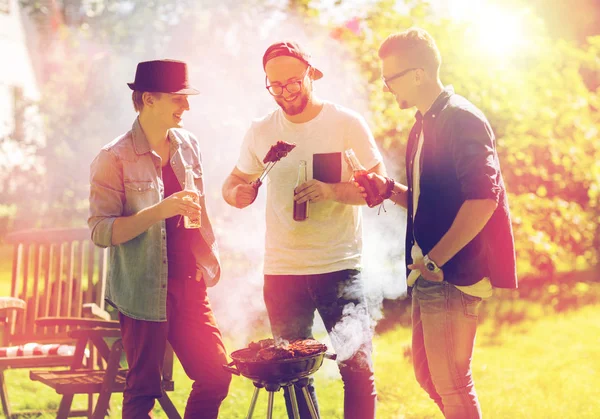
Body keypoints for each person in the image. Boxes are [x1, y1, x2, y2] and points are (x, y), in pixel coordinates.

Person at [362, 28, 518, 418]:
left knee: (451, 382)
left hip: (451, 273)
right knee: (430, 376)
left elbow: (483, 198)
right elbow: (426, 202)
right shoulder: (424, 123)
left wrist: (435, 260)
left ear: (418, 74)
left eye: (390, 78)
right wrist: (386, 189)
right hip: (431, 273)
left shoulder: (461, 118)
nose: (386, 88)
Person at [222, 41, 383, 419]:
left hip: (339, 265)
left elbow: (378, 188)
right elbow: (232, 183)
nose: (285, 93)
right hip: (282, 272)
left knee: (356, 369)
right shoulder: (261, 131)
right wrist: (237, 193)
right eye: (275, 86)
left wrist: (332, 191)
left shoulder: (345, 124)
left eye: (293, 82)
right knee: (293, 374)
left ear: (312, 74)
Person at [88, 59, 231, 419]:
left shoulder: (189, 145)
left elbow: (197, 207)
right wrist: (157, 211)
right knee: (143, 392)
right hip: (142, 290)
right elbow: (101, 231)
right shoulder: (112, 158)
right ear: (148, 99)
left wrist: (204, 253)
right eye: (177, 98)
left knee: (216, 374)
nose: (186, 107)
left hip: (190, 286)